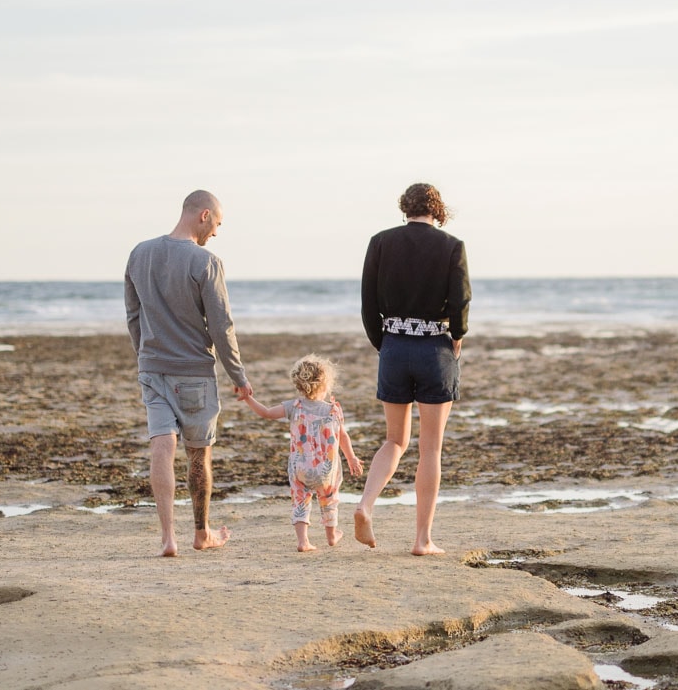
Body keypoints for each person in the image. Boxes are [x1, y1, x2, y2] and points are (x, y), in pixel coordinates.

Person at [124, 189, 252, 556]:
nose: (216, 233)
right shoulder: (206, 262)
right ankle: (201, 533)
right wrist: (239, 377)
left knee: (161, 447)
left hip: (152, 368)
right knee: (199, 455)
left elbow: (133, 317)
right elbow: (221, 326)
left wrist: (145, 356)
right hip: (194, 373)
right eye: (217, 224)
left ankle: (168, 538)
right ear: (204, 215)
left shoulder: (139, 253)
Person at [354, 182, 471, 555]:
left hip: (394, 345)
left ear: (405, 208)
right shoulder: (452, 245)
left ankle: (365, 504)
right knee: (430, 449)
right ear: (438, 211)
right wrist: (457, 334)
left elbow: (368, 302)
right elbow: (461, 300)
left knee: (395, 440)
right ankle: (422, 539)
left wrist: (383, 342)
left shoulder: (380, 242)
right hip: (434, 348)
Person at [238, 355, 364, 551]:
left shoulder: (293, 407)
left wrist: (247, 398)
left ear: (299, 384)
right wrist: (352, 458)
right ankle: (332, 536)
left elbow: (266, 413)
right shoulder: (333, 410)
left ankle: (303, 541)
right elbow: (343, 437)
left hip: (300, 468)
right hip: (327, 470)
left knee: (300, 500)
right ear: (326, 384)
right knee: (329, 499)